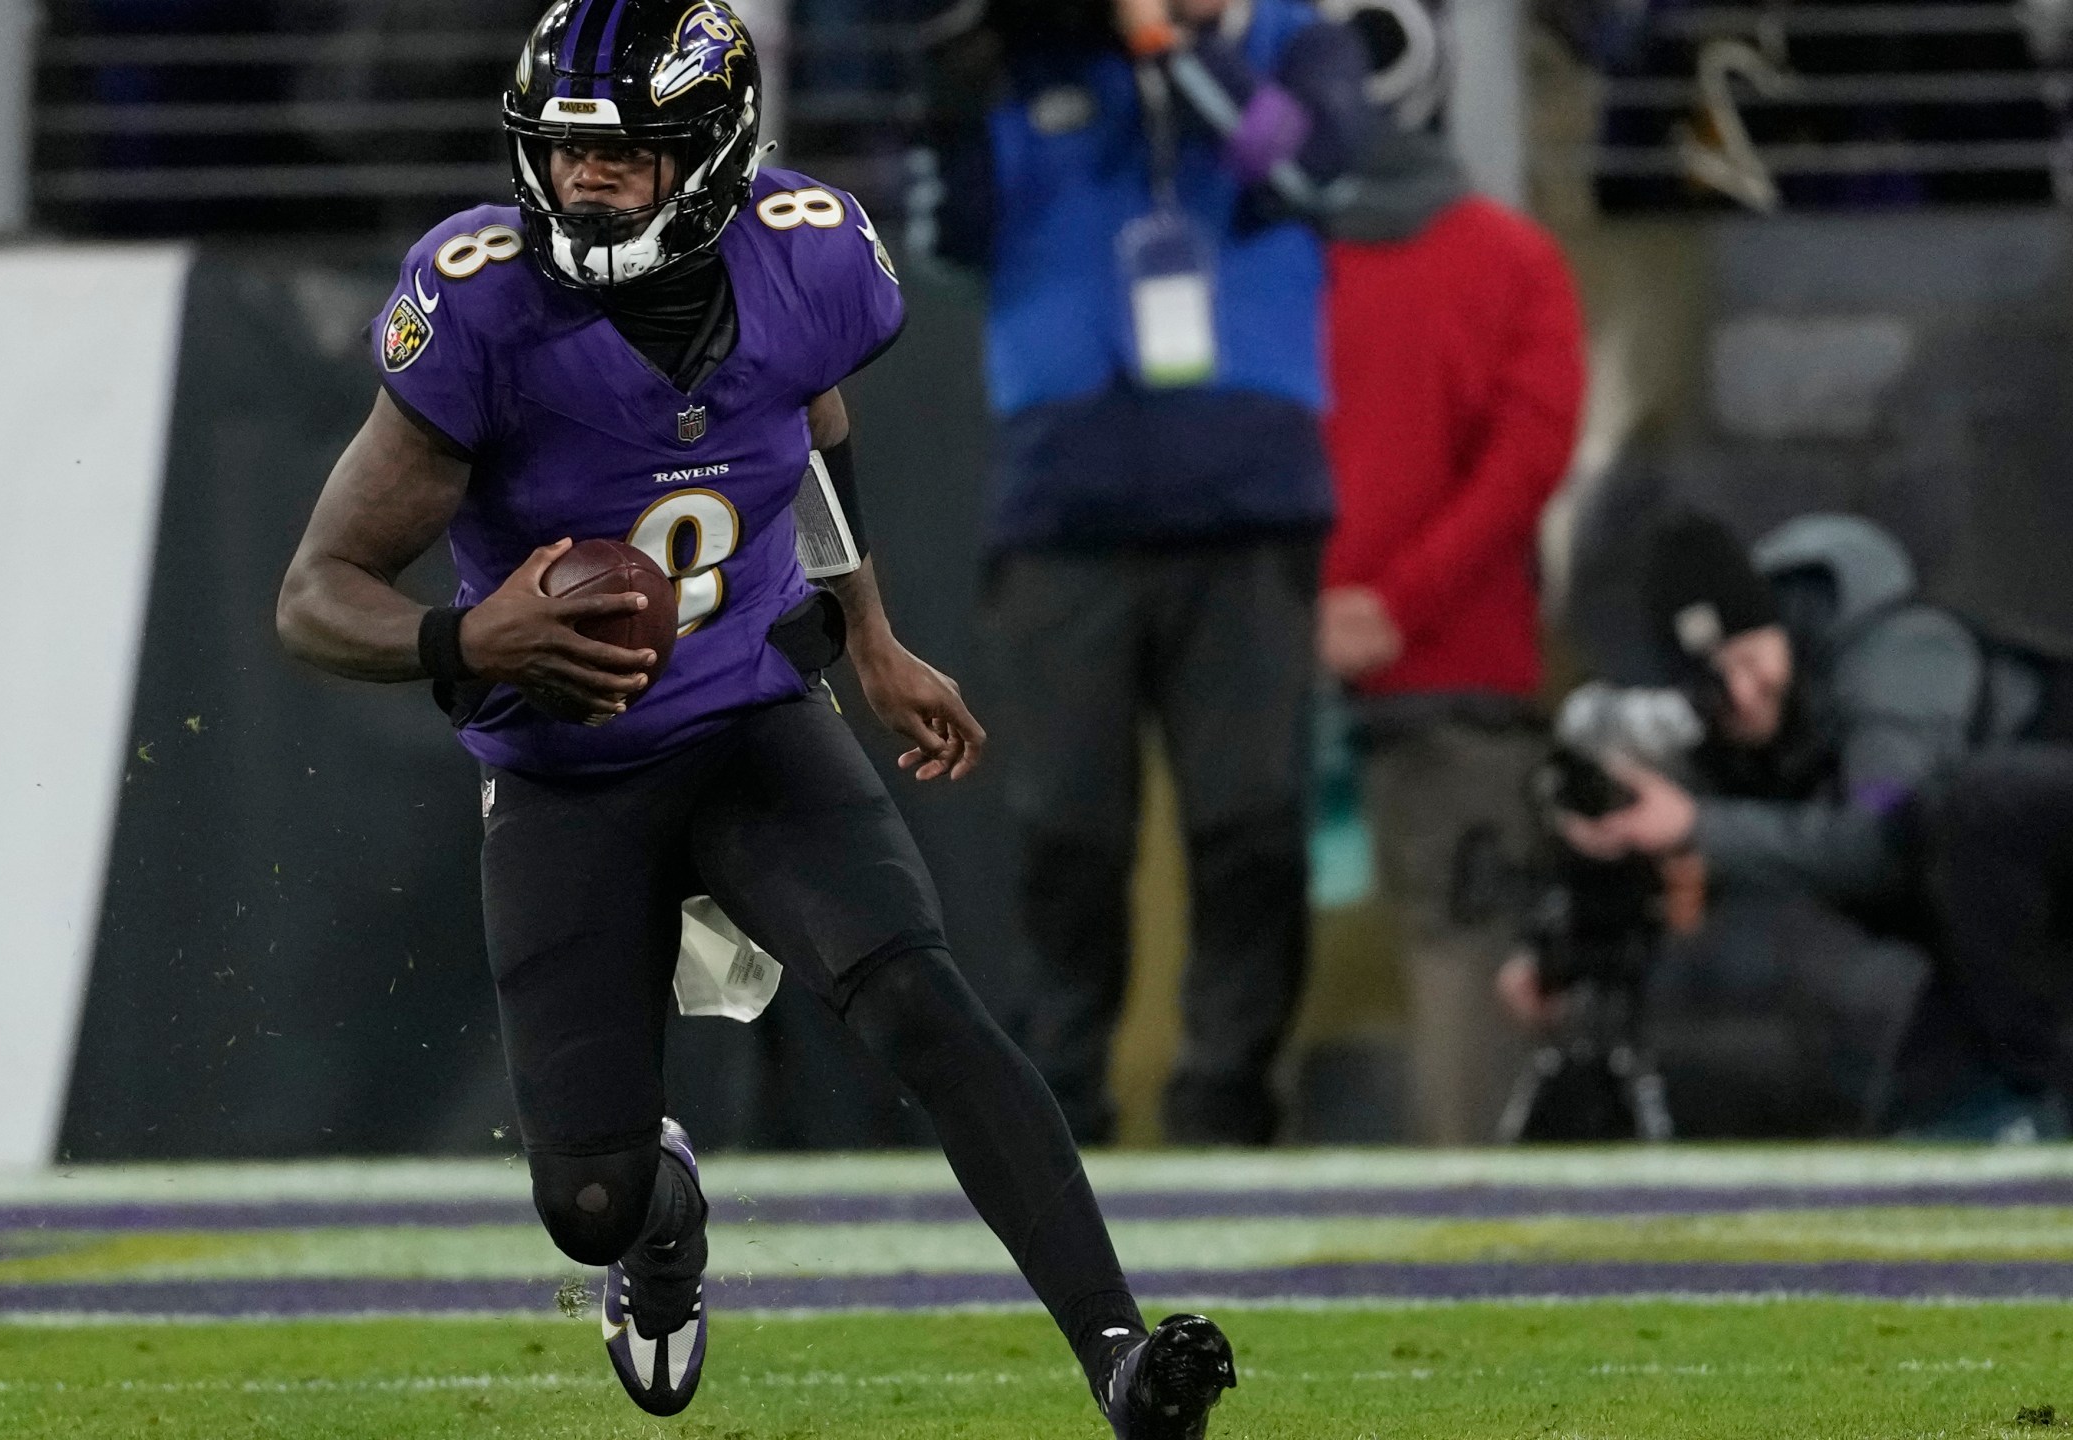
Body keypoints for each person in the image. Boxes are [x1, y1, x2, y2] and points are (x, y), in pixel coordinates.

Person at [276, 3, 1237, 1433]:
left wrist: (870, 634)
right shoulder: (479, 304)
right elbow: (312, 594)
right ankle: (662, 1225)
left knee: (921, 998)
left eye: (627, 158)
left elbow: (808, 421)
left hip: (747, 717)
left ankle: (1117, 1352)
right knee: (588, 1201)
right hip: (567, 773)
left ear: (712, 152)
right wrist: (467, 635)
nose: (584, 186)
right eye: (564, 156)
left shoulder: (809, 252)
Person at [925, 0, 1374, 1145]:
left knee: (1253, 822)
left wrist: (1178, 44)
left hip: (1244, 501)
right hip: (1064, 503)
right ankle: (1059, 1108)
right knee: (1064, 831)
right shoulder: (1031, 56)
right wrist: (956, 77)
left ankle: (1225, 1103)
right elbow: (951, 237)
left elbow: (1317, 174)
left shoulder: (1298, 41)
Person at [1511, 511, 2070, 1139]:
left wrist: (1697, 825)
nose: (1745, 694)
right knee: (1928, 1138)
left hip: (2040, 883)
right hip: (2002, 951)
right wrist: (1564, 951)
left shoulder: (1898, 654)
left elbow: (1881, 839)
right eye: (1719, 684)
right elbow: (1714, 861)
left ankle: (2046, 1101)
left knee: (1977, 807)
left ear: (1781, 628)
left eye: (1751, 661)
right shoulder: (1764, 742)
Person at [1317, 0, 1586, 1144]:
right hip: (1445, 661)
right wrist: (1393, 606)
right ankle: (1471, 1212)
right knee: (1459, 949)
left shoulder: (1278, 257)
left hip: (1298, 660)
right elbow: (1526, 459)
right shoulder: (1511, 262)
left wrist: (1334, 607)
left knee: (1432, 950)